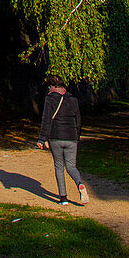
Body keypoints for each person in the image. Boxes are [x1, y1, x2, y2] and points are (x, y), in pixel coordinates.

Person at [36, 73, 89, 205]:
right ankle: (80, 184)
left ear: (51, 86)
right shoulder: (73, 99)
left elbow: (46, 119)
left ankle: (63, 198)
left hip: (56, 137)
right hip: (71, 137)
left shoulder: (50, 99)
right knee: (71, 166)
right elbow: (78, 120)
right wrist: (77, 136)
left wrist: (42, 139)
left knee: (59, 166)